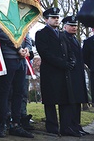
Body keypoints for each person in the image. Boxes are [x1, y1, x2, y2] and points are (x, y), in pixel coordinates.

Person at [35, 8, 80, 137]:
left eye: (57, 17)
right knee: (50, 101)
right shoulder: (41, 33)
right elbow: (45, 53)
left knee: (65, 100)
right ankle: (52, 127)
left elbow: (69, 50)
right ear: (46, 19)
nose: (56, 19)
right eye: (53, 17)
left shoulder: (61, 34)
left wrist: (71, 61)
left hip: (63, 72)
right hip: (50, 72)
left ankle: (65, 127)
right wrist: (63, 63)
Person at [0, 29, 34, 138]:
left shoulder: (21, 18)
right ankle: (2, 123)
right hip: (8, 57)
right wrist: (18, 48)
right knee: (4, 92)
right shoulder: (4, 15)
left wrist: (27, 48)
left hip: (21, 61)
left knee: (19, 93)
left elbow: (27, 35)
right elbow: (1, 33)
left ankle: (16, 124)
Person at [61, 16, 89, 136]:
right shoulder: (63, 37)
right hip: (69, 73)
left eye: (75, 26)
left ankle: (76, 125)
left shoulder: (75, 39)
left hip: (78, 73)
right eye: (71, 25)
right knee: (70, 101)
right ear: (65, 26)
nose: (74, 28)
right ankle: (69, 126)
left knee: (77, 100)